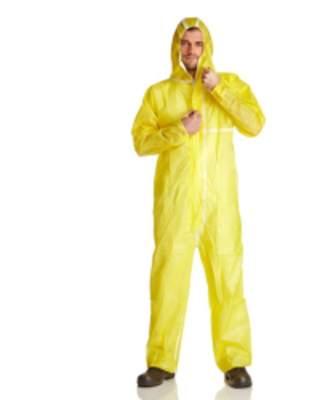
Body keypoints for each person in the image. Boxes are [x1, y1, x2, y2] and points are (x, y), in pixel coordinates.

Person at [131, 17, 266, 389]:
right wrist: (179, 130)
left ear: (208, 47)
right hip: (175, 205)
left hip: (220, 207)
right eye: (185, 43)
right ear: (176, 47)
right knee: (167, 282)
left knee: (228, 280)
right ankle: (160, 363)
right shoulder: (159, 93)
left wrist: (219, 89)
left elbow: (255, 124)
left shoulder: (229, 84)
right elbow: (140, 141)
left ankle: (235, 362)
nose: (191, 50)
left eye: (198, 43)